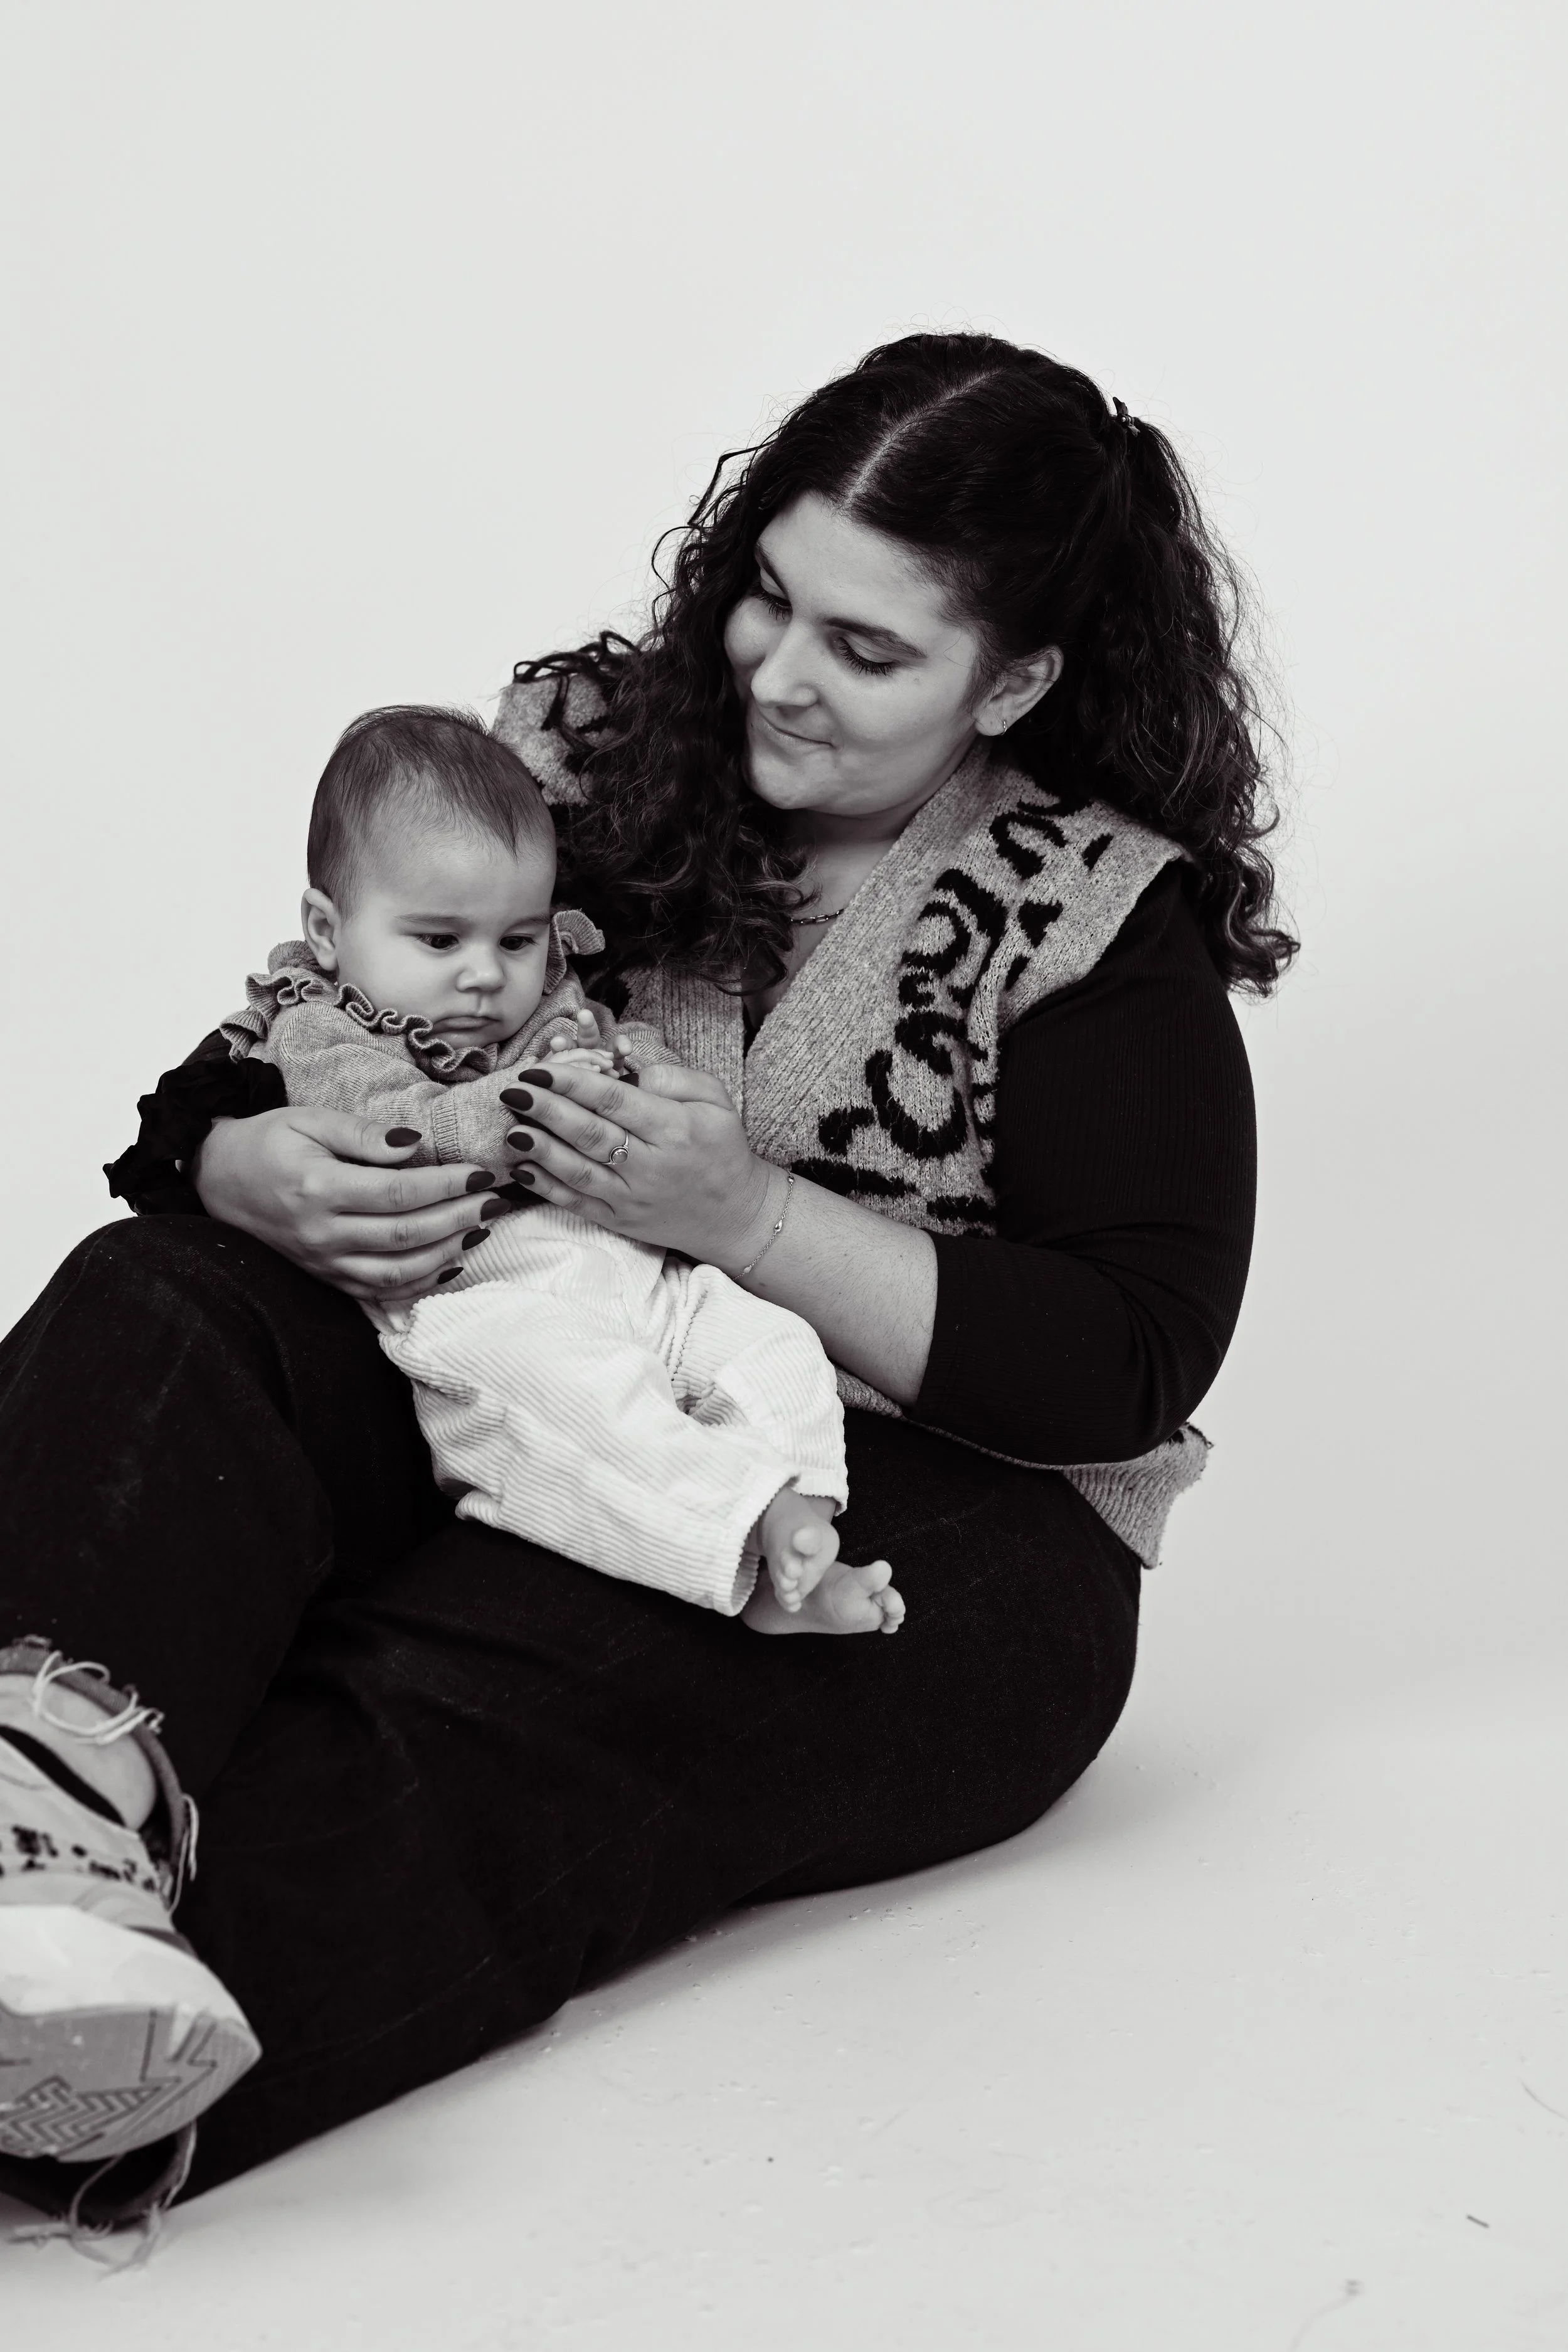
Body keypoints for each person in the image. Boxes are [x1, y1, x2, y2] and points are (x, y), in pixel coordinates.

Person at [0, 331, 1285, 2240]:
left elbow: (1123, 1362)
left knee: (483, 1683)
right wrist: (233, 1156)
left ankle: (88, 2076)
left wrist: (749, 1215)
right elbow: (300, 1015)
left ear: (1009, 679)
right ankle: (39, 1845)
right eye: (770, 591)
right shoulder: (589, 751)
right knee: (156, 1295)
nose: (776, 667)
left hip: (914, 1514)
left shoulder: (1094, 912)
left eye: (867, 648)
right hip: (500, 1348)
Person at [226, 702, 898, 1634]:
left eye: (516, 939)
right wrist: (522, 1105)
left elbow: (628, 1054)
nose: (484, 975)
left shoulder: (549, 1007)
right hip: (485, 1296)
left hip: (641, 1272)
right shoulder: (322, 1030)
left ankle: (799, 1514)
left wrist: (644, 1081)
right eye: (438, 940)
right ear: (329, 929)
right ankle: (741, 1551)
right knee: (579, 1410)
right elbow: (393, 1120)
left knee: (773, 1345)